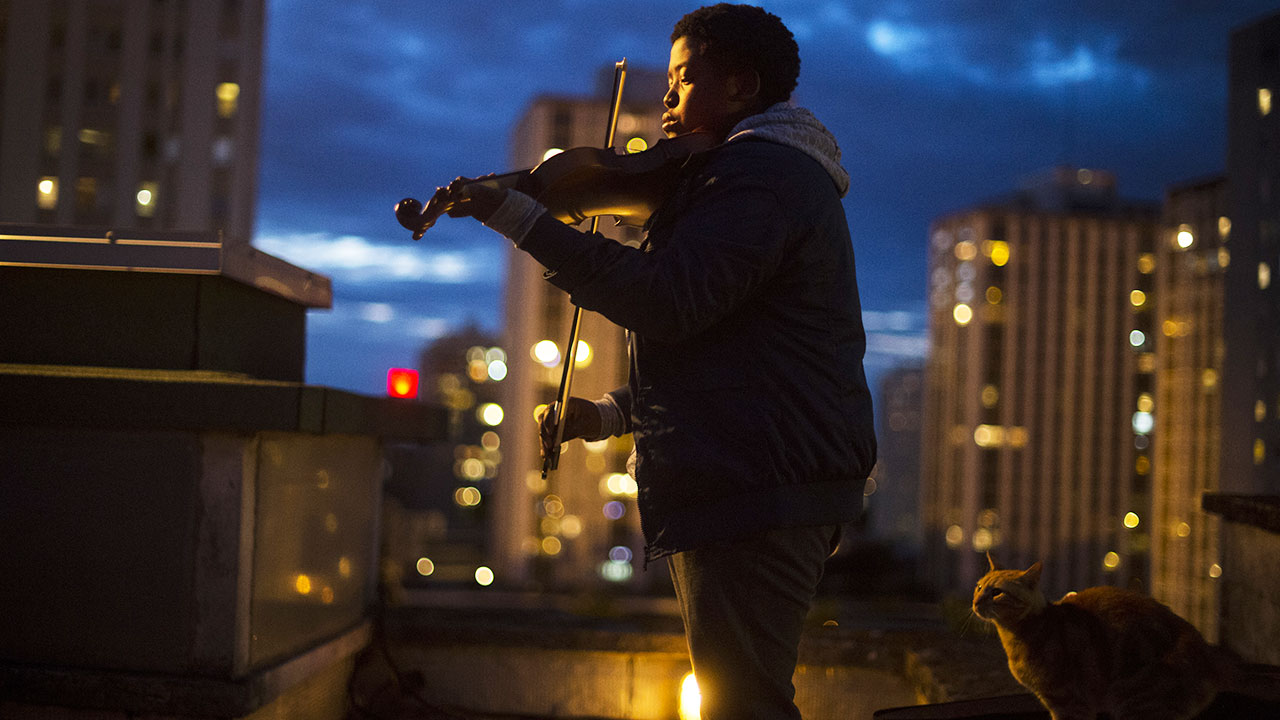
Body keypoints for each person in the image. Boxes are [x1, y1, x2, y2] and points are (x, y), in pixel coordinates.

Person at [436, 4, 875, 717]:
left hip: (757, 488)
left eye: (682, 79)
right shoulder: (740, 176)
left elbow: (672, 301)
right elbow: (738, 348)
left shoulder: (760, 176)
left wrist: (522, 217)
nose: (666, 99)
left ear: (740, 86)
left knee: (744, 705)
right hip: (752, 478)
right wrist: (609, 414)